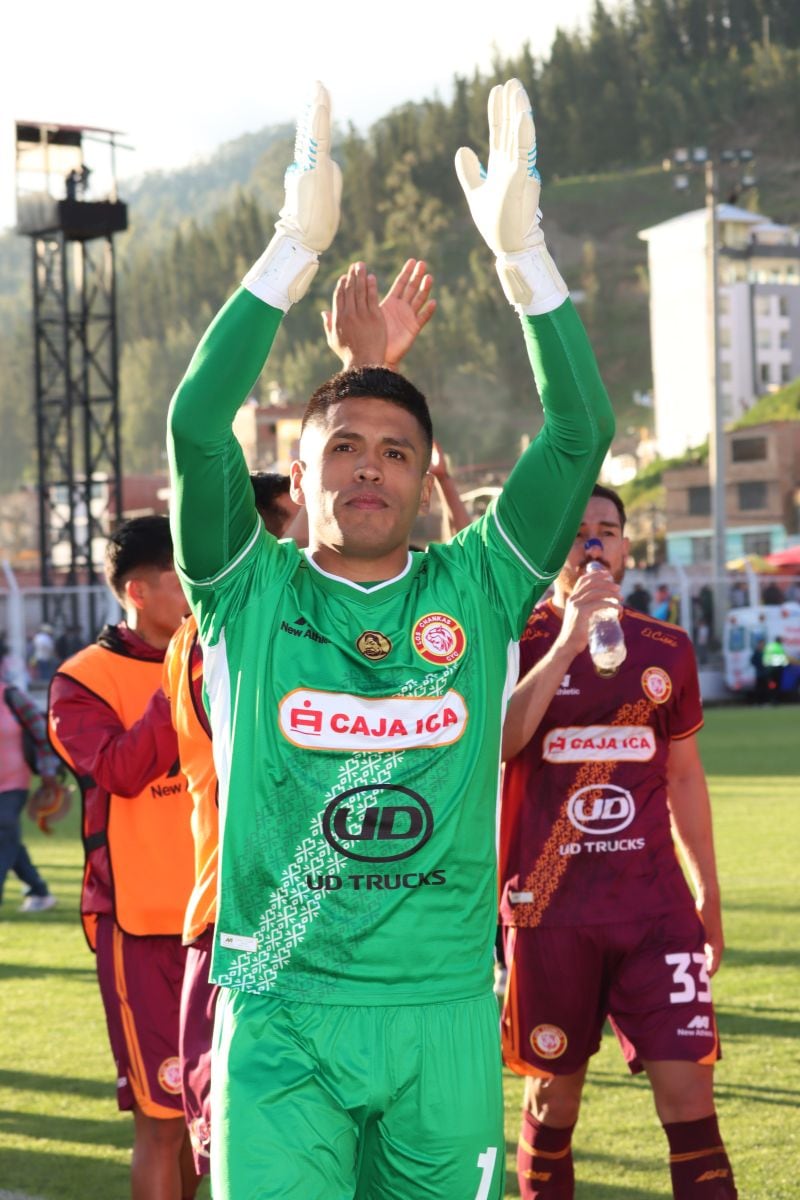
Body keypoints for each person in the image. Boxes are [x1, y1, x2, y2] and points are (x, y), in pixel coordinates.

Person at [167, 78, 613, 1199]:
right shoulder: (244, 588)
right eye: (343, 445)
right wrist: (287, 249)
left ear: (423, 483)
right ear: (300, 471)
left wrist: (527, 268)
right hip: (279, 1006)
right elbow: (190, 424)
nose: (368, 464)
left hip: (442, 1009)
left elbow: (578, 431)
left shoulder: (478, 586)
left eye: (395, 450)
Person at [164, 257, 459, 1179]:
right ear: (291, 489)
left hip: (401, 962)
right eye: (336, 456)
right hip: (264, 939)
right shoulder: (233, 613)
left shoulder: (375, 593)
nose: (364, 475)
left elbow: (417, 600)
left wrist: (372, 373)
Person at [499, 484, 737, 1199]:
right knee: (552, 1105)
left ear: (629, 546)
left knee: (691, 1102)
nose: (593, 543)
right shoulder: (518, 638)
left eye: (607, 529)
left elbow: (687, 779)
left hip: (655, 914)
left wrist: (709, 893)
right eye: (577, 532)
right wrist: (571, 635)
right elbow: (501, 743)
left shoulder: (667, 647)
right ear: (554, 550)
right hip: (550, 915)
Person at [48, 516, 199, 1200]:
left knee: (219, 1121)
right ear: (137, 592)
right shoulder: (81, 680)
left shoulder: (222, 658)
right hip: (140, 926)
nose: (198, 588)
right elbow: (121, 770)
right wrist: (182, 674)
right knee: (163, 1122)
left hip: (232, 920)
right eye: (181, 576)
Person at [0, 681, 60, 911]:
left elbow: (42, 733)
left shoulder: (11, 696)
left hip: (13, 782)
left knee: (4, 827)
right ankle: (39, 892)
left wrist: (48, 772)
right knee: (9, 838)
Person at [762, 634, 789, 701]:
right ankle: (775, 698)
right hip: (776, 668)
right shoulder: (779, 647)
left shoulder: (769, 646)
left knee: (771, 683)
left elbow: (765, 656)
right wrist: (786, 664)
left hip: (768, 668)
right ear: (779, 641)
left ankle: (770, 697)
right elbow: (783, 659)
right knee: (777, 683)